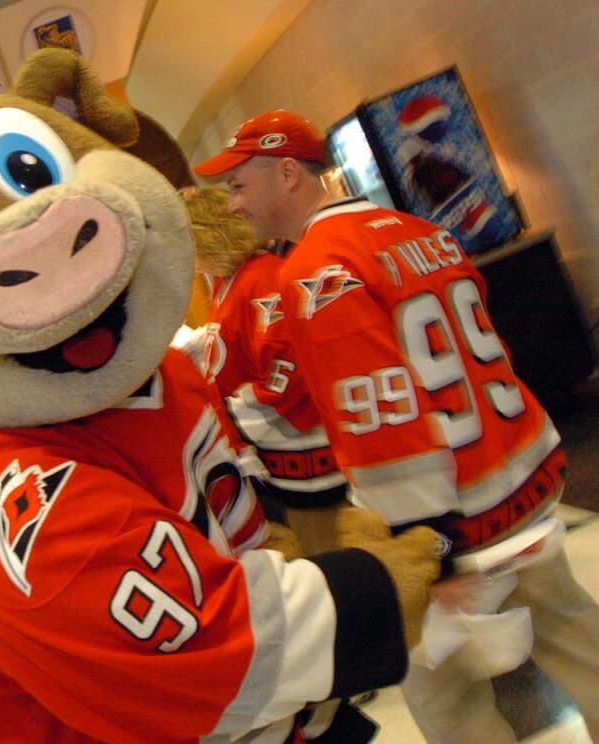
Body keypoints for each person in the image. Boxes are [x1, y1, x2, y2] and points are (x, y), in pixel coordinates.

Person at [195, 109, 599, 742]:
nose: (236, 207)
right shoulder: (419, 230)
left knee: (445, 701)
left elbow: (381, 413)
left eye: (240, 187)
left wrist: (420, 543)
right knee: (578, 642)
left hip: (454, 519)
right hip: (523, 479)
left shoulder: (315, 271)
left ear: (287, 173)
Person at [182, 186, 348, 546]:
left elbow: (288, 369)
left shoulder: (262, 278)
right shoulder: (231, 280)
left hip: (305, 465)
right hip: (278, 462)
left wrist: (235, 412)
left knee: (325, 548)